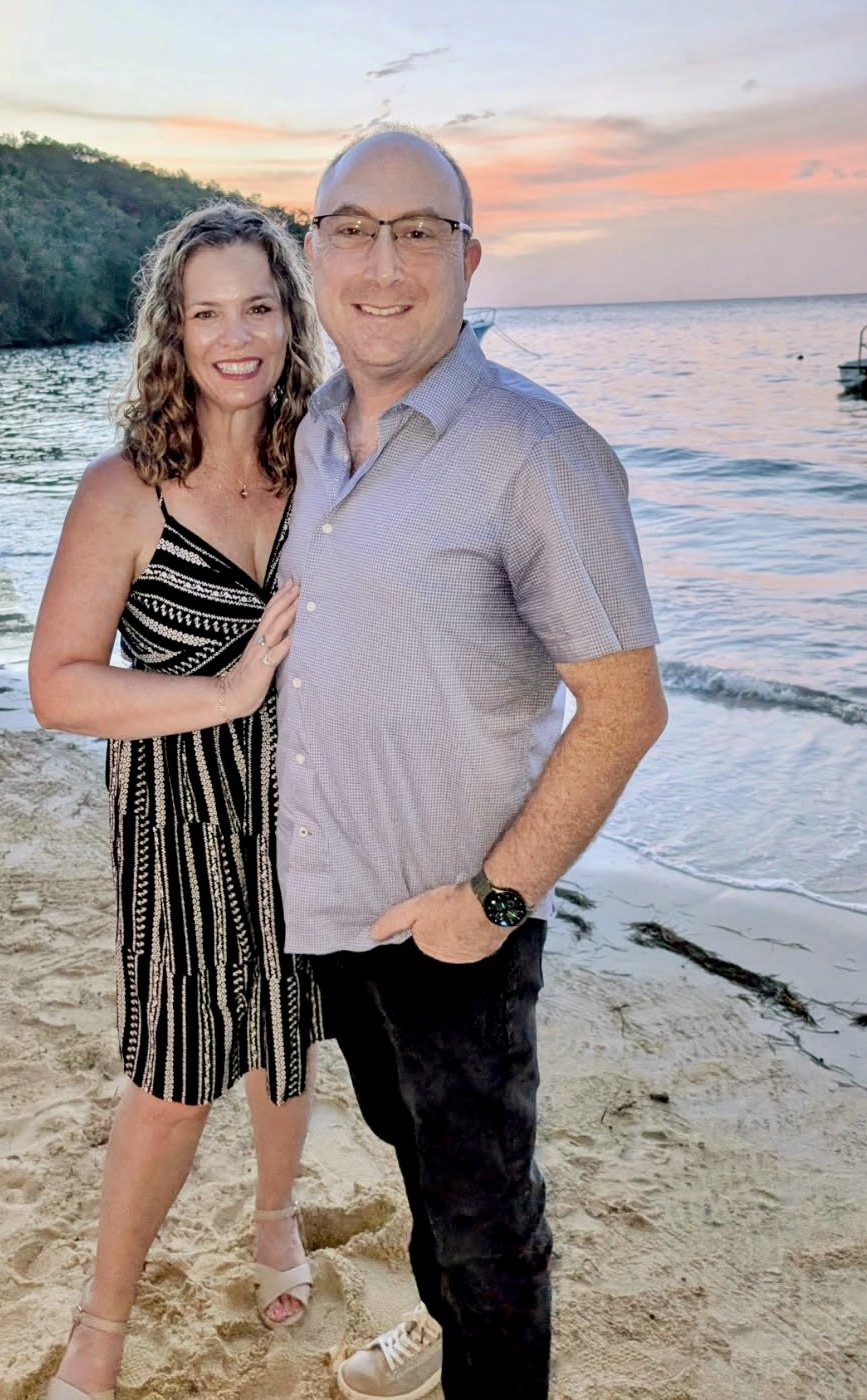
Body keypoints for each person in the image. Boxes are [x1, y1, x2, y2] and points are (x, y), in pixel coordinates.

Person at [274, 129, 668, 1400]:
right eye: (352, 230)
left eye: (418, 233)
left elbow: (625, 706)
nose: (383, 265)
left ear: (468, 258)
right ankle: (436, 1323)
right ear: (314, 252)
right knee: (418, 1165)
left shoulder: (534, 448)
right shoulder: (307, 433)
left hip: (457, 924)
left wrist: (493, 900)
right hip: (332, 906)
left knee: (489, 1225)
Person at [29, 201, 327, 1400]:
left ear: (290, 317)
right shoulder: (124, 490)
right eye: (208, 314)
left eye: (257, 307)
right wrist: (227, 687)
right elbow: (58, 685)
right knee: (172, 1079)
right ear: (174, 332)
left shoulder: (326, 462)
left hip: (309, 808)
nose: (235, 337)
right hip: (179, 817)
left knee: (287, 1038)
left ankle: (274, 1214)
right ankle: (100, 1327)